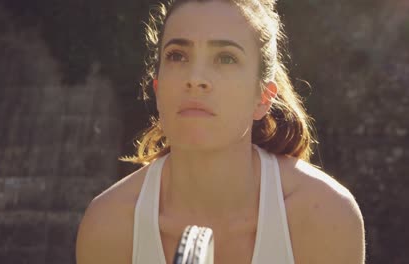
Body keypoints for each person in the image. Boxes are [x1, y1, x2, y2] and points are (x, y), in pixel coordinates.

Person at [76, 0, 366, 263]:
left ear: (263, 98)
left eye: (226, 58)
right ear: (158, 87)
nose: (196, 79)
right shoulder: (109, 224)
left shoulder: (326, 215)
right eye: (177, 56)